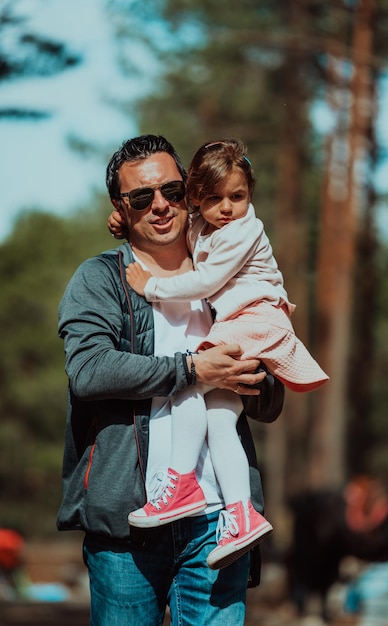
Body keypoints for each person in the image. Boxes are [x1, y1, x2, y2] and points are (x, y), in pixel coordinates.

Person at [58, 134, 285, 626]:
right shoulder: (101, 279)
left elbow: (269, 402)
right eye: (141, 197)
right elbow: (88, 371)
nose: (159, 205)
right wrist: (192, 369)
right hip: (128, 527)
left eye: (172, 190)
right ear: (121, 207)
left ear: (191, 193)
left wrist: (257, 376)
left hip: (220, 525)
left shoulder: (229, 270)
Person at [108, 138, 328, 570]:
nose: (227, 208)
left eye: (238, 197)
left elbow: (206, 281)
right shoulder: (202, 226)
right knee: (219, 416)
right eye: (213, 199)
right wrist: (121, 221)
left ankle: (182, 481)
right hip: (242, 323)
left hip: (254, 320)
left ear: (250, 194)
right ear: (196, 199)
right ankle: (241, 513)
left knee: (188, 381)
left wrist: (151, 287)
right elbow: (165, 226)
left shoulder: (245, 230)